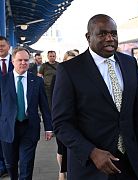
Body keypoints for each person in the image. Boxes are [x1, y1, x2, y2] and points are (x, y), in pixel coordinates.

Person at [52, 14, 138, 180]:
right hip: (90, 168)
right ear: (88, 37)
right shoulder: (69, 70)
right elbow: (61, 123)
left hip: (129, 164)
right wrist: (91, 152)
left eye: (113, 33)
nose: (110, 38)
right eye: (102, 34)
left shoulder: (130, 63)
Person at [0, 47, 53, 179]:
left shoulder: (37, 81)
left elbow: (44, 106)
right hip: (8, 129)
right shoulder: (3, 81)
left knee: (26, 165)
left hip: (29, 128)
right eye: (20, 60)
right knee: (11, 165)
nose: (23, 63)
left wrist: (48, 128)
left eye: (26, 60)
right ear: (13, 61)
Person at [51, 49, 79, 180]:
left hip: (79, 120)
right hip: (64, 120)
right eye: (69, 61)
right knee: (62, 148)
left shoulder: (84, 77)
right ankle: (62, 172)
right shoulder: (58, 77)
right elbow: (53, 99)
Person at [0, 35, 14, 177]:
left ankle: (11, 162)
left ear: (8, 46)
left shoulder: (17, 62)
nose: (0, 48)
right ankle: (3, 165)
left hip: (15, 107)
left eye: (2, 46)